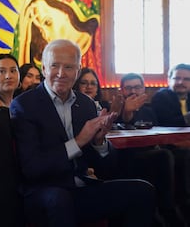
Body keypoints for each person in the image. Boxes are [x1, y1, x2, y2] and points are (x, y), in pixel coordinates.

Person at [10, 39, 156, 227]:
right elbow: (32, 169)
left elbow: (107, 167)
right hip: (42, 192)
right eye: (55, 66)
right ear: (44, 69)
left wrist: (99, 142)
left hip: (80, 188)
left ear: (77, 71)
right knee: (60, 199)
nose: (61, 74)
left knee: (142, 190)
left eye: (69, 67)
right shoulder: (24, 105)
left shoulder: (86, 104)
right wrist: (78, 142)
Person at [116, 73, 185, 226]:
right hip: (127, 157)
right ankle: (167, 209)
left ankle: (183, 204)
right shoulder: (115, 108)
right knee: (163, 156)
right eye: (128, 88)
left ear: (144, 89)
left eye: (137, 87)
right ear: (121, 91)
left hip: (151, 151)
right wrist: (127, 112)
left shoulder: (149, 110)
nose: (133, 91)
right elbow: (124, 121)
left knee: (183, 156)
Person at [152, 63, 190, 223]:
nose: (181, 82)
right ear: (169, 79)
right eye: (177, 78)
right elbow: (167, 123)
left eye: (186, 79)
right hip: (170, 146)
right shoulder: (162, 96)